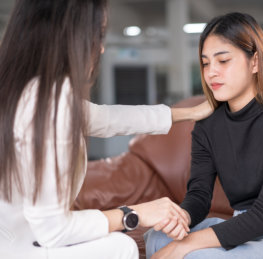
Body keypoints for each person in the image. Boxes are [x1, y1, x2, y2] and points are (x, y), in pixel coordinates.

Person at [0, 1, 210, 258]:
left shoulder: (22, 88)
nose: (100, 48)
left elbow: (110, 118)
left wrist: (192, 112)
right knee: (121, 247)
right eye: (97, 34)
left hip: (16, 238)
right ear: (70, 35)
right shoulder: (51, 101)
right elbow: (52, 231)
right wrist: (134, 213)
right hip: (19, 246)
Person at [145, 12, 263, 259]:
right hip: (240, 225)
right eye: (206, 63)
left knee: (190, 254)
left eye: (223, 61)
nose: (211, 73)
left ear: (255, 62)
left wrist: (185, 245)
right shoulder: (207, 125)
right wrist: (182, 218)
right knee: (157, 238)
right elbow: (199, 196)